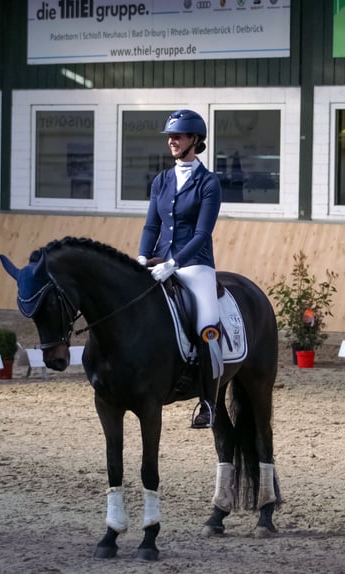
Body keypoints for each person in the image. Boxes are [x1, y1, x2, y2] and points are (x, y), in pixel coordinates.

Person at [137, 109, 223, 429]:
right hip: (159, 263)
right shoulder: (162, 179)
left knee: (207, 325)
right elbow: (151, 225)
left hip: (195, 265)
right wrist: (142, 258)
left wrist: (175, 263)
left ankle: (208, 402)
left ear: (195, 141)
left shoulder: (209, 182)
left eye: (179, 136)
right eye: (171, 137)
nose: (172, 141)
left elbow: (202, 233)